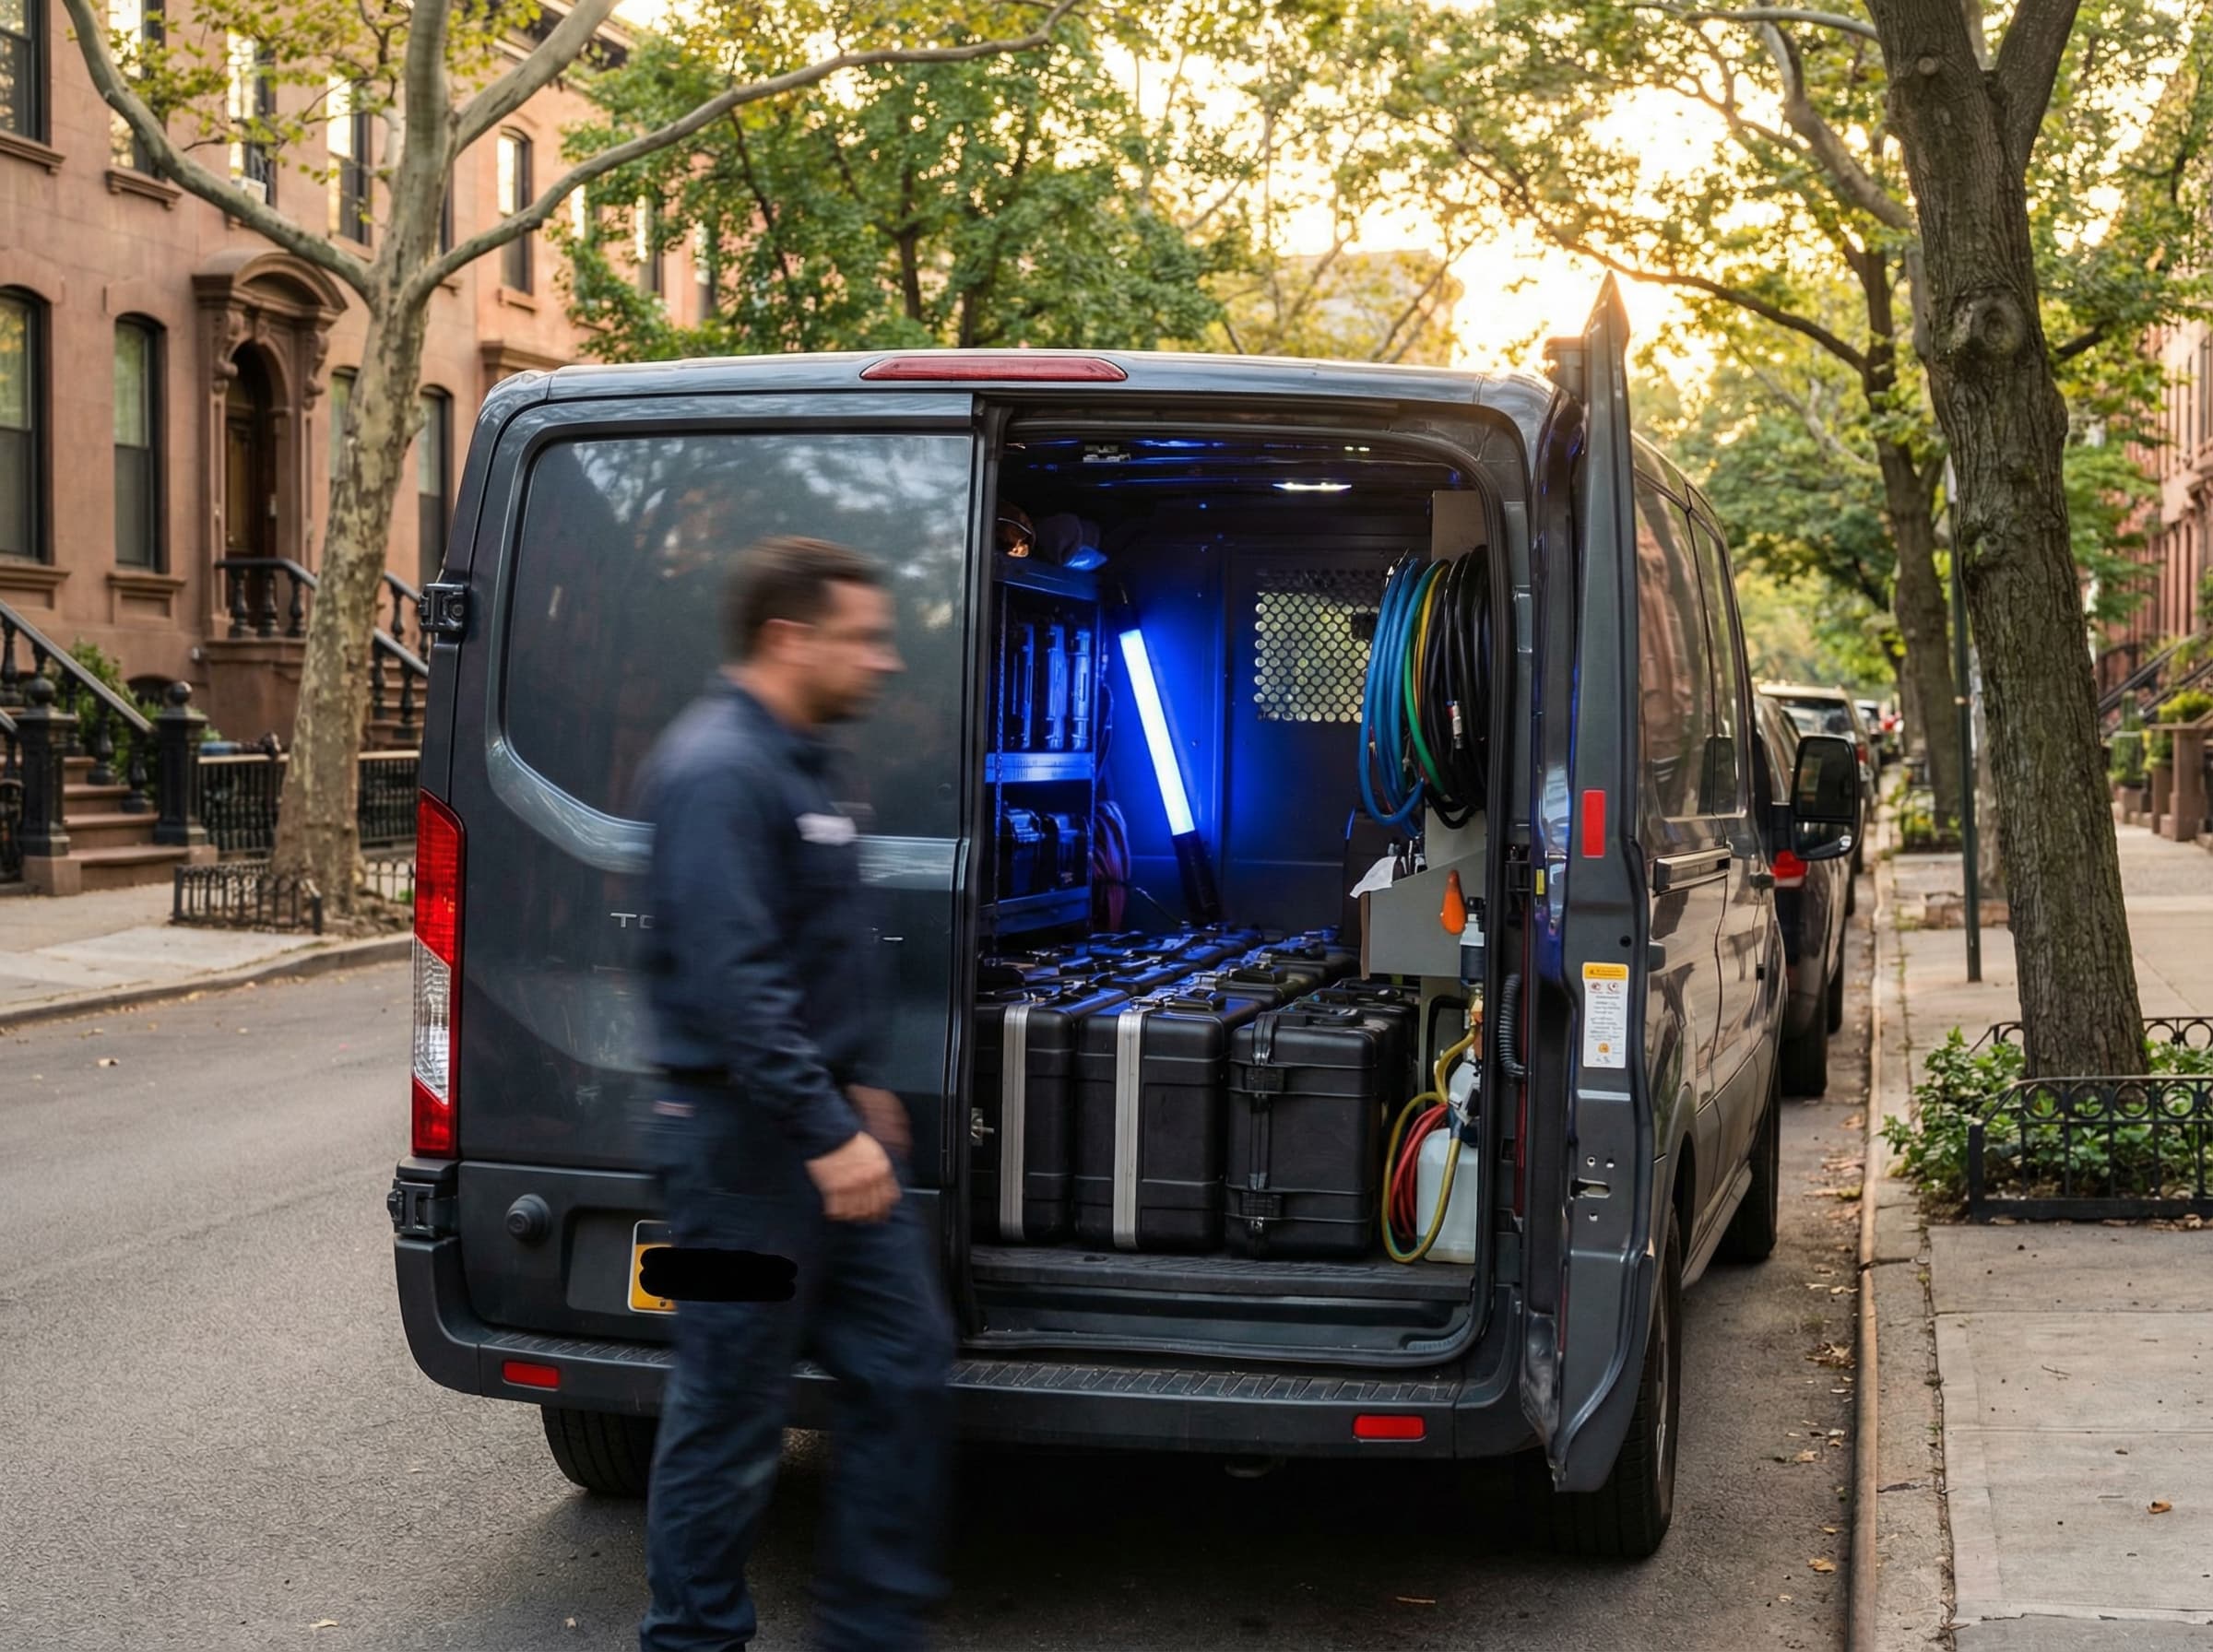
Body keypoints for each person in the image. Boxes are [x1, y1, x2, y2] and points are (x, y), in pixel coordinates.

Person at [633, 536, 953, 1652]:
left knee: (907, 1369)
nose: (886, 661)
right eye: (864, 638)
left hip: (821, 1138)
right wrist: (827, 1127)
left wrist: (857, 1083)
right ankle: (694, 1640)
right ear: (789, 638)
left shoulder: (806, 760)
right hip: (737, 1158)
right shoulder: (720, 767)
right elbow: (734, 980)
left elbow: (811, 953)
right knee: (728, 1414)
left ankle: (869, 1634)